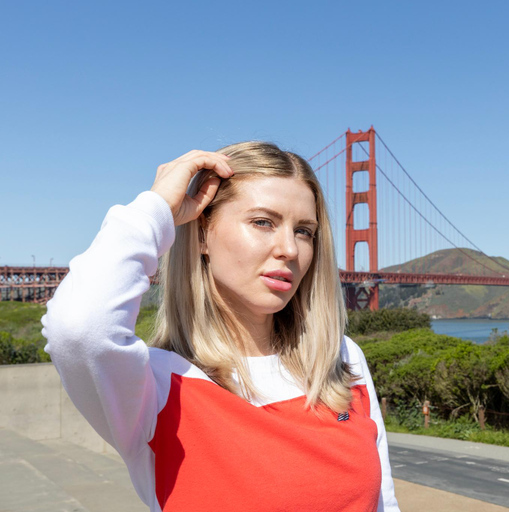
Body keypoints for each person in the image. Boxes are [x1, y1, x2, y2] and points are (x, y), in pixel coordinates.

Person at [42, 142, 400, 511]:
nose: (290, 249)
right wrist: (156, 208)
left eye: (304, 231)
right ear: (201, 235)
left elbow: (384, 504)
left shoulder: (340, 358)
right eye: (263, 222)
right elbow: (78, 328)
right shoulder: (159, 385)